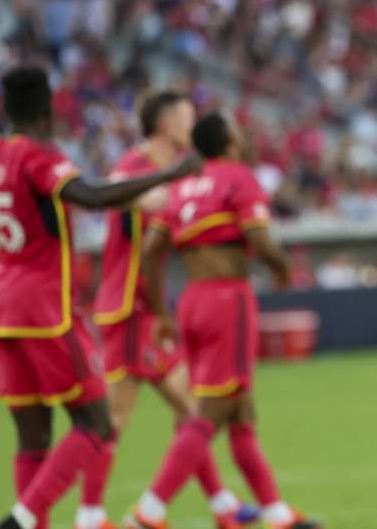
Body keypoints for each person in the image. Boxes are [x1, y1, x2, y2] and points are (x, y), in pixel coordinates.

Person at [0, 67, 199, 529]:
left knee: (32, 437)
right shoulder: (37, 155)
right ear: (48, 107)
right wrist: (172, 173)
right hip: (43, 308)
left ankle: (30, 520)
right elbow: (91, 196)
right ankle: (21, 519)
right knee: (95, 422)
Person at [122, 113, 318, 529]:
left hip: (190, 301)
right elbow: (260, 239)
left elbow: (151, 251)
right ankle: (149, 511)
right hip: (227, 298)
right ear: (228, 139)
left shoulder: (182, 186)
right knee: (210, 413)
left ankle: (277, 512)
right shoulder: (238, 178)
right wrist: (283, 268)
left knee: (241, 411)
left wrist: (160, 312)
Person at [81, 91, 257, 529]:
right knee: (120, 414)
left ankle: (222, 508)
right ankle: (91, 515)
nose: (190, 124)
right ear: (163, 122)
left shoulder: (183, 168)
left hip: (147, 309)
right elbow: (131, 199)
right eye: (184, 116)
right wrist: (182, 191)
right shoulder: (133, 167)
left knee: (190, 411)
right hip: (127, 306)